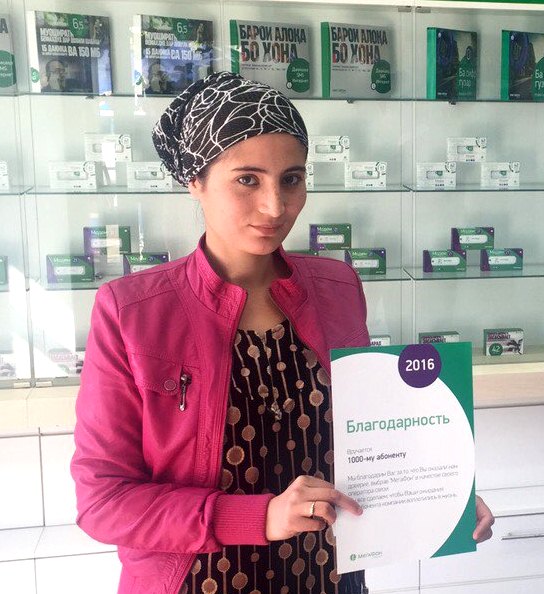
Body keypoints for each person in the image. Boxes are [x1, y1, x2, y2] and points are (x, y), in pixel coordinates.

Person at [71, 72, 494, 594]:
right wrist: (260, 517)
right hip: (197, 581)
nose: (275, 206)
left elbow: (367, 434)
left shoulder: (336, 287)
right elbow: (103, 501)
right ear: (195, 181)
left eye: (291, 179)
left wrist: (437, 494)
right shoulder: (133, 311)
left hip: (330, 577)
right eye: (247, 180)